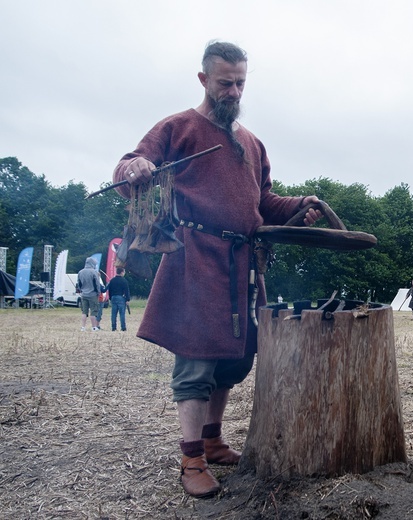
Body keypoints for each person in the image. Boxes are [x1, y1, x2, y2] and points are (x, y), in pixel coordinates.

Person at [112, 41, 325, 498]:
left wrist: (299, 206)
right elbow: (127, 165)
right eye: (225, 82)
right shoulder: (177, 127)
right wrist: (138, 167)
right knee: (197, 360)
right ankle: (191, 459)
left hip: (242, 265)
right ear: (204, 79)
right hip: (194, 260)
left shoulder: (252, 143)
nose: (233, 91)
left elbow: (263, 203)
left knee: (234, 357)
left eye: (240, 83)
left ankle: (212, 439)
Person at [77, 257, 102, 332]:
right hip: (93, 294)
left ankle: (83, 327)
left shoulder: (80, 272)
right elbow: (97, 284)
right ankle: (94, 327)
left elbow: (79, 284)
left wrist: (81, 291)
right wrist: (98, 292)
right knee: (93, 311)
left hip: (84, 294)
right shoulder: (94, 272)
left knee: (84, 312)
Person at [107, 267, 131, 332]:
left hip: (113, 297)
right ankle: (123, 327)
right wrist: (127, 299)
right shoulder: (124, 281)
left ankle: (113, 327)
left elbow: (110, 290)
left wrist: (110, 298)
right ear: (122, 272)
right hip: (121, 297)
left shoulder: (112, 280)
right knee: (122, 313)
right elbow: (126, 291)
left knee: (113, 313)